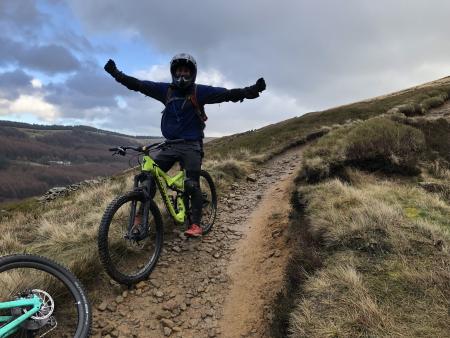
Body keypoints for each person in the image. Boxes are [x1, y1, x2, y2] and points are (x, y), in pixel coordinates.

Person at [104, 53, 266, 237]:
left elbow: (226, 94)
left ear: (193, 73)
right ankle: (140, 216)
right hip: (170, 145)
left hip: (191, 145)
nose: (182, 75)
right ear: (173, 72)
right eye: (179, 71)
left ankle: (195, 224)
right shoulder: (166, 91)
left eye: (186, 71)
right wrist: (116, 74)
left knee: (191, 184)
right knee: (148, 177)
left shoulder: (199, 91)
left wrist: (252, 90)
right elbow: (139, 85)